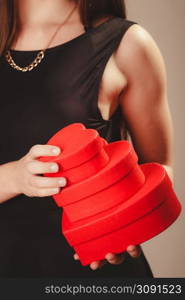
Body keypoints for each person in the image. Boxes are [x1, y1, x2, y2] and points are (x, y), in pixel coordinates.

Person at [0, 0, 174, 278]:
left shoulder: (126, 43)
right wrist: (15, 178)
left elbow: (159, 168)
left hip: (92, 275)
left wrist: (123, 226)